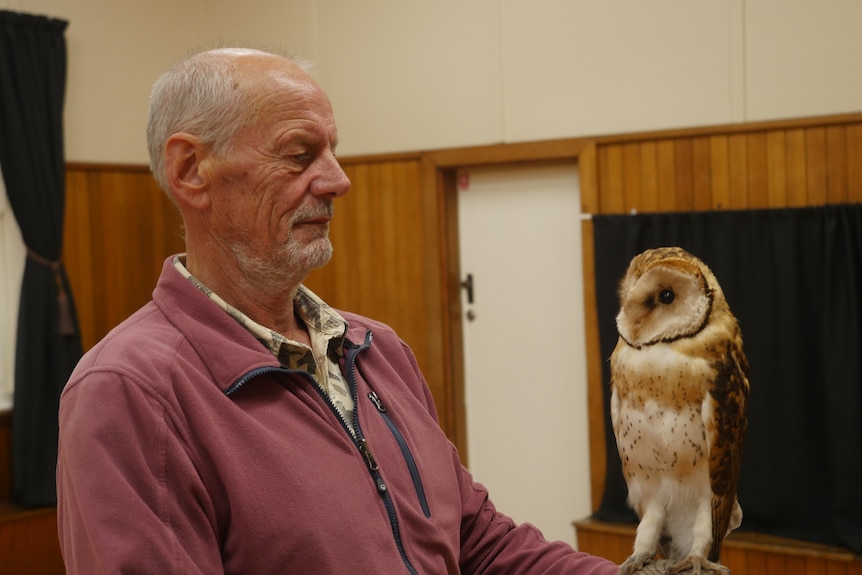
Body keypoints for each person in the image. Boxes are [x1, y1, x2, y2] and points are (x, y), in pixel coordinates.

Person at [56, 46, 619, 574]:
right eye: (300, 155)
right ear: (190, 171)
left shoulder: (377, 351)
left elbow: (479, 545)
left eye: (333, 151)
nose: (338, 180)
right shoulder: (129, 391)